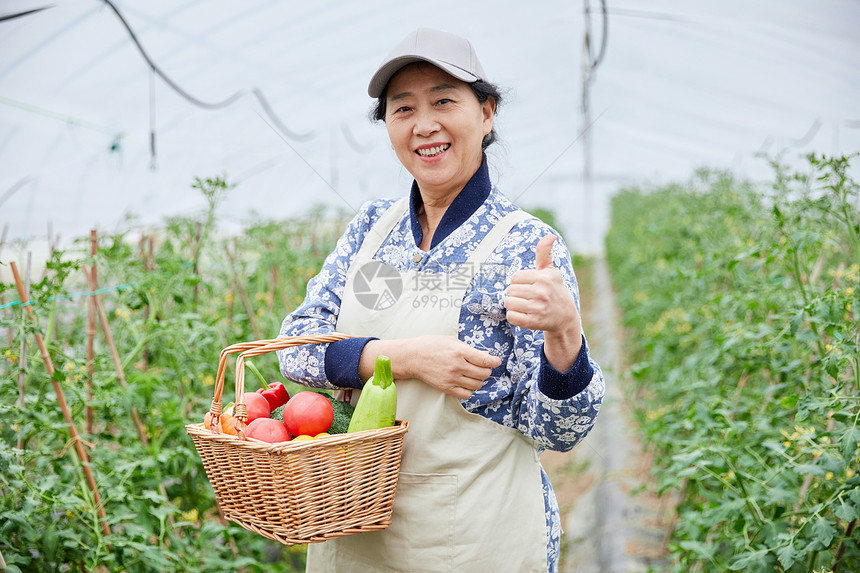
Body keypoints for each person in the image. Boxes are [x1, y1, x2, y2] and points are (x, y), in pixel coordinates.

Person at [277, 27, 604, 573]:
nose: (424, 125)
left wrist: (565, 334)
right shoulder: (372, 230)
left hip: (474, 535)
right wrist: (404, 358)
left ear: (487, 114)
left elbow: (561, 432)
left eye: (444, 101)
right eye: (402, 108)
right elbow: (296, 347)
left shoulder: (525, 245)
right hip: (354, 529)